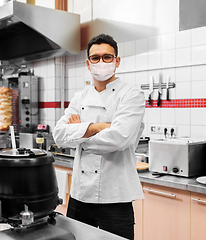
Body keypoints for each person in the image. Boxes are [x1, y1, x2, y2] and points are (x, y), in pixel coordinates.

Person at [52, 34, 145, 240]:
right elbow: (59, 135)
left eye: (107, 57)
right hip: (79, 195)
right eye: (95, 58)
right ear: (88, 63)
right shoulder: (80, 97)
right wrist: (99, 126)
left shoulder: (131, 94)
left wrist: (79, 133)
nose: (101, 62)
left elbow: (120, 138)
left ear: (117, 61)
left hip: (116, 196)